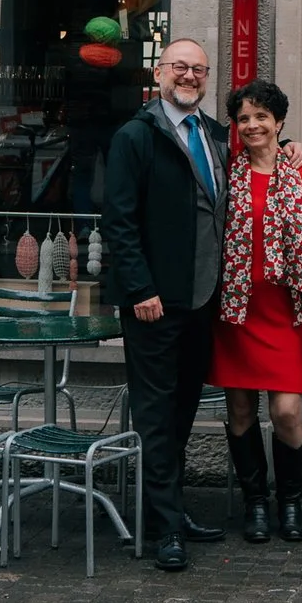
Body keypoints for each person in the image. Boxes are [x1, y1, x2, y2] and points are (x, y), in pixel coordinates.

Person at [100, 36, 230, 572]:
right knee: (156, 415)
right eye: (181, 67)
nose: (190, 76)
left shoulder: (216, 135)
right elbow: (119, 221)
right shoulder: (136, 136)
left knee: (182, 411)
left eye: (199, 69)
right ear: (160, 72)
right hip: (154, 302)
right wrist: (140, 290)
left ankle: (169, 510)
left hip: (202, 300)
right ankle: (165, 530)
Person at [209, 78, 302, 545]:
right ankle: (256, 505)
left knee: (286, 414)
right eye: (244, 118)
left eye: (262, 116)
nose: (253, 125)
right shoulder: (227, 171)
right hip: (235, 314)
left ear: (279, 121)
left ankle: (290, 503)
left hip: (288, 315)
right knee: (240, 411)